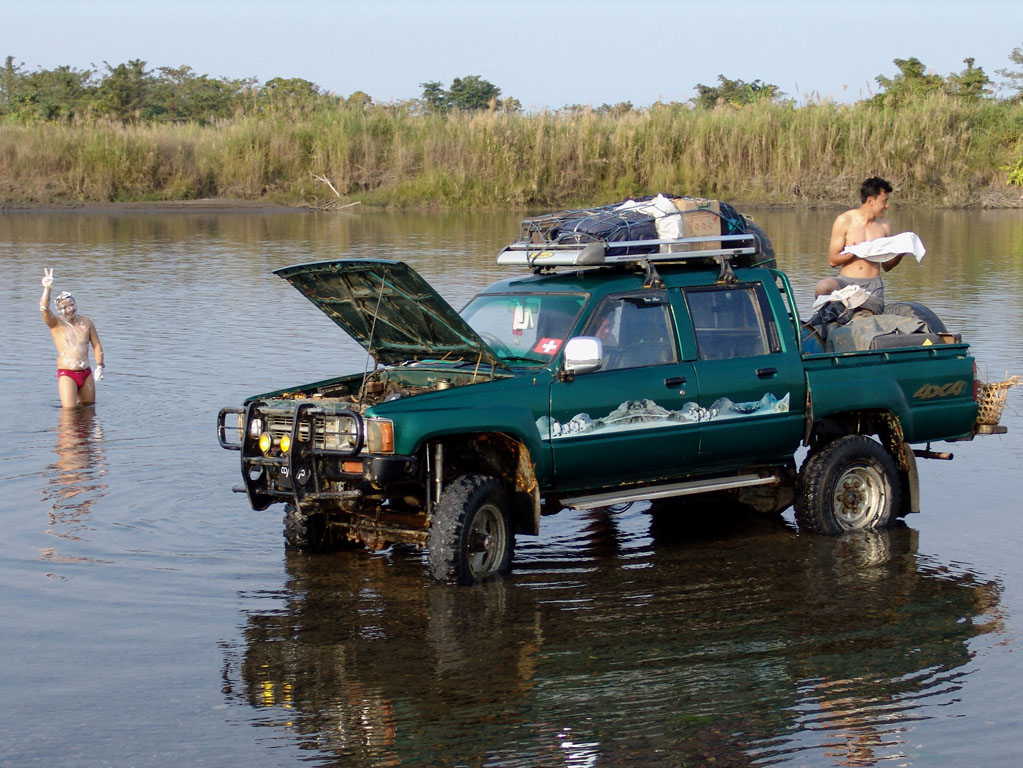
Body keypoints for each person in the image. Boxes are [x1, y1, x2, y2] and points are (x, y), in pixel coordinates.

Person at [815, 177, 903, 314]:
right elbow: (833, 260)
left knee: (865, 309)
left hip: (872, 286)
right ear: (870, 201)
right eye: (884, 201)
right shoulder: (845, 220)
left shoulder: (884, 225)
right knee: (823, 287)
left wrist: (901, 251)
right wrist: (856, 252)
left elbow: (886, 266)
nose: (887, 206)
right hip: (845, 283)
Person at [40, 268, 105, 408]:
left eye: (72, 304)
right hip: (67, 373)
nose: (69, 309)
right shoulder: (56, 323)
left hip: (86, 373)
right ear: (58, 310)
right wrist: (47, 289)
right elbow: (44, 309)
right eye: (64, 307)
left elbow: (97, 345)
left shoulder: (86, 322)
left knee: (89, 410)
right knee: (69, 412)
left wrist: (100, 366)